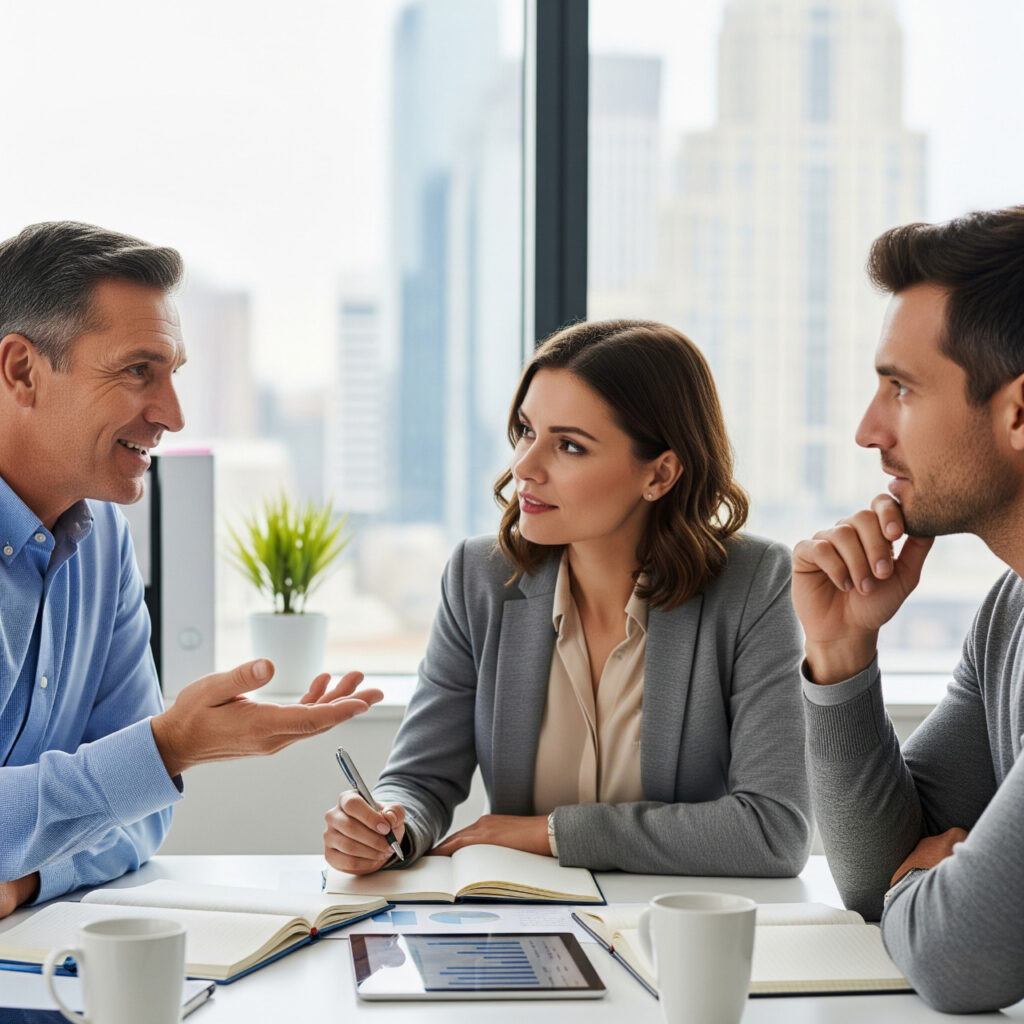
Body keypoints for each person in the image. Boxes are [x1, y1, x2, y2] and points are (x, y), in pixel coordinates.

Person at [324, 319, 811, 877]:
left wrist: (549, 833)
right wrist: (388, 827)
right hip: (516, 921)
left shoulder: (753, 584)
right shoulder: (478, 578)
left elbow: (774, 831)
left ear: (660, 474)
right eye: (527, 431)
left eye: (570, 446)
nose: (524, 468)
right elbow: (420, 779)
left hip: (671, 931)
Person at [0, 221, 382, 919]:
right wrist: (164, 747)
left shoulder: (105, 541)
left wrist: (27, 882)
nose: (172, 415)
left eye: (174, 375)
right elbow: (135, 779)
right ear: (22, 370)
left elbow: (141, 820)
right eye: (138, 371)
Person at [792, 206, 1024, 1013]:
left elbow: (961, 960)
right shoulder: (1011, 610)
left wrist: (927, 882)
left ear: (1020, 414)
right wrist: (841, 649)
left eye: (902, 388)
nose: (868, 430)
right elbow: (868, 873)